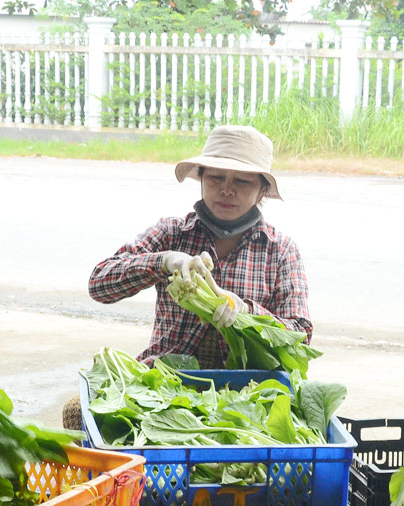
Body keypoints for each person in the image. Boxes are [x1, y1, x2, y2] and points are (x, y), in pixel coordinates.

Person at [88, 124, 311, 369]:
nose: (227, 190)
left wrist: (247, 311)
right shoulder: (172, 232)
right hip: (163, 382)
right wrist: (163, 261)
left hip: (247, 391)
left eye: (242, 181)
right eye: (216, 177)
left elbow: (301, 336)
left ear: (262, 190)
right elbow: (99, 284)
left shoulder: (281, 251)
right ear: (201, 178)